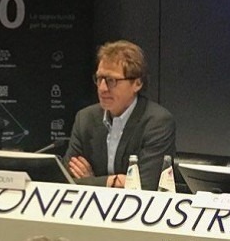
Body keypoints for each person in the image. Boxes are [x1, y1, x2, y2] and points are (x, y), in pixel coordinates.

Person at [64, 40, 176, 191]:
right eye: (99, 79)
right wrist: (113, 181)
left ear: (137, 83)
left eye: (111, 80)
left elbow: (145, 185)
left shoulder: (157, 122)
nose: (102, 88)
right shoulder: (85, 118)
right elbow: (65, 179)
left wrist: (91, 181)